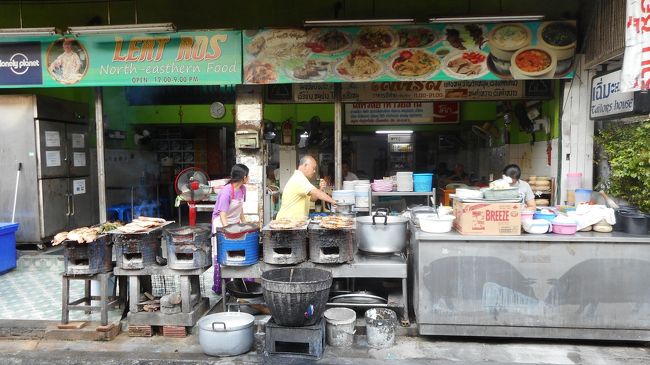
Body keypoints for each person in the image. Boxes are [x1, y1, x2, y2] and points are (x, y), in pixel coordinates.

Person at [276, 155, 336, 219]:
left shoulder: (301, 179)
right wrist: (334, 201)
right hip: (287, 222)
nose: (314, 171)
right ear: (305, 165)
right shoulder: (299, 178)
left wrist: (320, 189)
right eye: (313, 168)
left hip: (294, 222)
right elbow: (316, 192)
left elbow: (312, 198)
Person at [212, 164, 249, 229]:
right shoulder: (226, 192)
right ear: (244, 177)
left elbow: (240, 208)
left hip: (234, 223)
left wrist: (245, 224)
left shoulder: (243, 189)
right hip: (221, 224)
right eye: (248, 175)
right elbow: (222, 214)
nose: (249, 177)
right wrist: (228, 231)